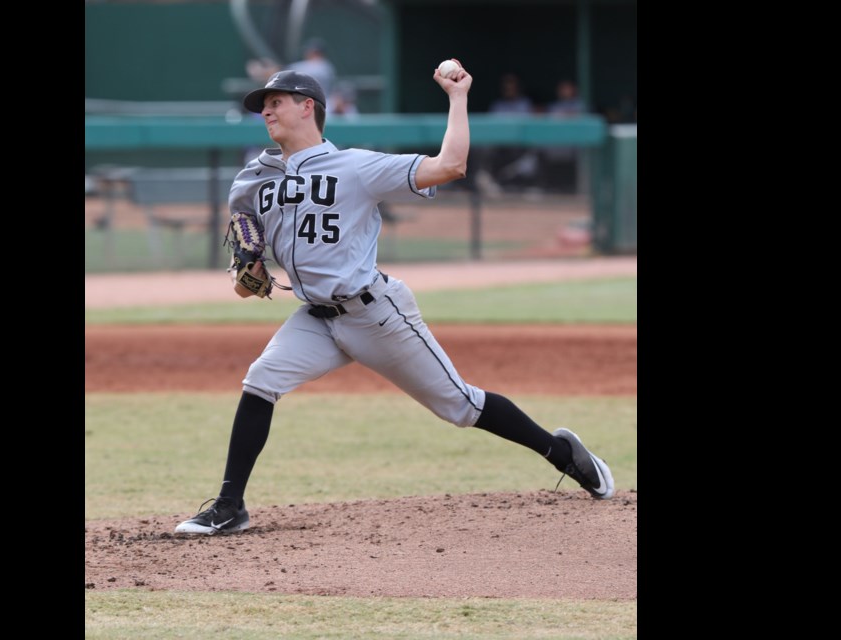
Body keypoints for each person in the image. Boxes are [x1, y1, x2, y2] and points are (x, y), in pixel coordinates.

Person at [174, 65, 614, 536]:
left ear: (308, 107)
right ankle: (229, 505)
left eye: (276, 101)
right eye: (263, 104)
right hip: (316, 319)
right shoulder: (253, 183)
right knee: (261, 380)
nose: (265, 109)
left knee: (461, 407)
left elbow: (451, 165)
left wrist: (459, 97)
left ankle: (561, 453)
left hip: (376, 315)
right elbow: (245, 285)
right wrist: (250, 274)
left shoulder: (357, 167)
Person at [471, 73, 538, 197]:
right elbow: (492, 127)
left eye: (512, 87)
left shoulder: (525, 103)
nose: (509, 90)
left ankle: (534, 185)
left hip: (520, 144)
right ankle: (485, 178)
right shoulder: (498, 105)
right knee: (481, 146)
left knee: (536, 153)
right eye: (506, 87)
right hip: (500, 145)